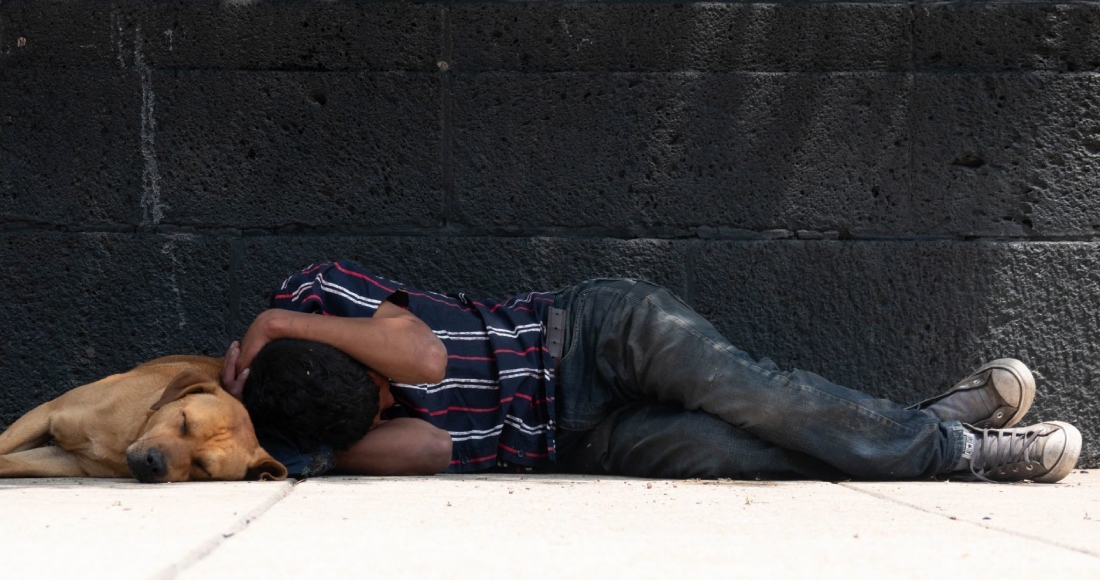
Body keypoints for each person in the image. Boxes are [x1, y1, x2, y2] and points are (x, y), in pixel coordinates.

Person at [220, 260, 1083, 483]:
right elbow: (432, 450)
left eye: (375, 396)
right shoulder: (299, 442)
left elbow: (426, 356)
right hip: (577, 441)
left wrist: (276, 323)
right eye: (379, 410)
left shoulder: (308, 296)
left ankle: (968, 454)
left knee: (761, 397)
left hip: (589, 335)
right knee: (754, 453)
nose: (393, 404)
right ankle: (932, 419)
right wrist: (337, 443)